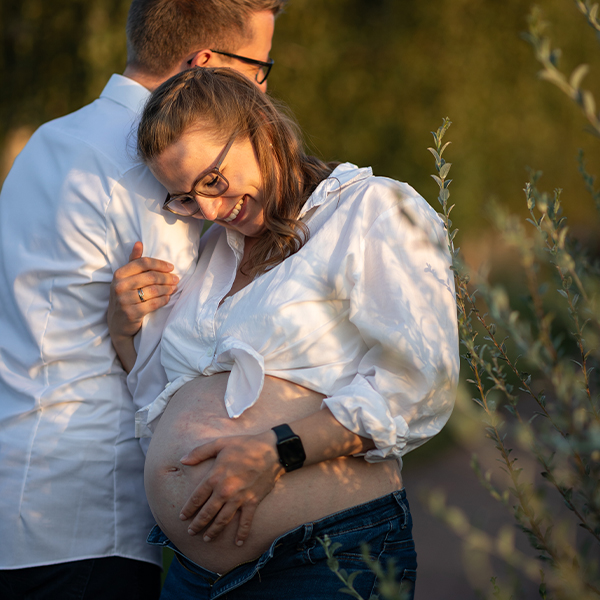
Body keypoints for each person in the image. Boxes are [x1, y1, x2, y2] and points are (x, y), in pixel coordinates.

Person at [108, 67, 460, 600]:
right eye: (184, 198)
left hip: (324, 557)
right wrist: (124, 327)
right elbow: (158, 397)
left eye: (212, 181)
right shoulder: (213, 252)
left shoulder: (370, 209)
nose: (208, 210)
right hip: (192, 575)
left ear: (259, 128)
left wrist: (277, 452)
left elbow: (418, 387)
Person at [0, 2, 286, 598]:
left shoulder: (51, 139)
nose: (262, 91)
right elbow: (185, 351)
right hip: (88, 512)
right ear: (205, 64)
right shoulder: (161, 165)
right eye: (258, 69)